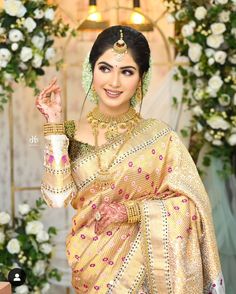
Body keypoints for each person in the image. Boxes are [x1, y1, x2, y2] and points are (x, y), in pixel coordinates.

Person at [35, 25, 225, 293]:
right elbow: (56, 198)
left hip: (145, 272)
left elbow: (191, 204)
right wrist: (53, 125)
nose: (114, 82)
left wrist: (131, 211)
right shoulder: (67, 132)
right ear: (90, 71)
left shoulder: (159, 136)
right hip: (90, 264)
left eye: (126, 72)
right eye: (105, 68)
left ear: (141, 79)